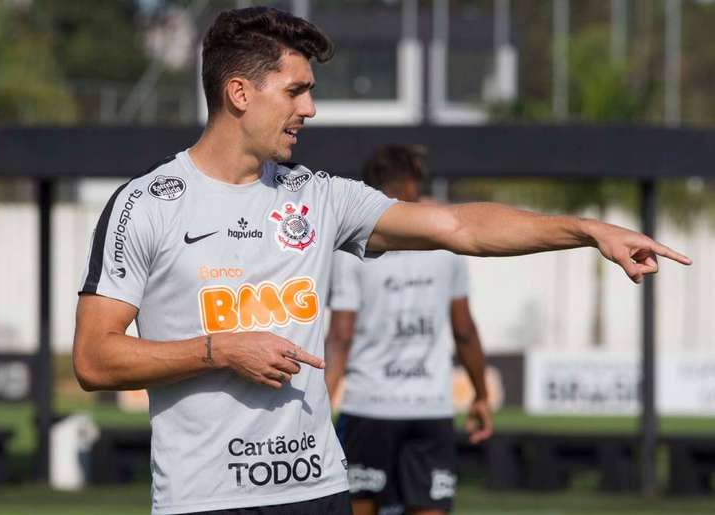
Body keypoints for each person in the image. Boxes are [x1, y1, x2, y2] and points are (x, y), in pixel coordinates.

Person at [72, 6, 690, 515]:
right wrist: (219, 349)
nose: (309, 109)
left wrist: (585, 229)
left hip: (318, 493)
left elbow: (460, 227)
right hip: (202, 502)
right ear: (239, 92)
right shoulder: (146, 205)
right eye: (296, 91)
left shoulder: (318, 196)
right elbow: (95, 358)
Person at [325, 145, 492, 515]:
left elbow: (341, 336)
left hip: (369, 408)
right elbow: (463, 330)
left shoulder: (352, 243)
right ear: (412, 182)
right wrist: (480, 395)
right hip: (429, 409)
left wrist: (319, 409)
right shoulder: (446, 239)